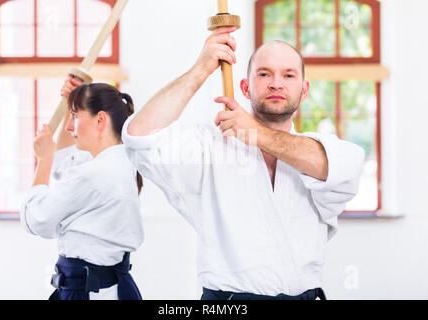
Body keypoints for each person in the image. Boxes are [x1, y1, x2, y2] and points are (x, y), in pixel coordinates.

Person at [121, 26, 365, 300]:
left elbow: (333, 167)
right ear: (245, 88)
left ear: (304, 90)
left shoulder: (323, 150)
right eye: (264, 74)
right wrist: (200, 69)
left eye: (288, 75)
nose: (276, 83)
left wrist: (255, 132)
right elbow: (139, 135)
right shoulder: (211, 147)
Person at [20, 76, 144, 300]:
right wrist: (71, 103)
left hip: (88, 292)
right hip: (105, 289)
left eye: (76, 117)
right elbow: (65, 164)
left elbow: (38, 221)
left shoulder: (95, 173)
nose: (69, 127)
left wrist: (43, 161)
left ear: (100, 120)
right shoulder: (119, 163)